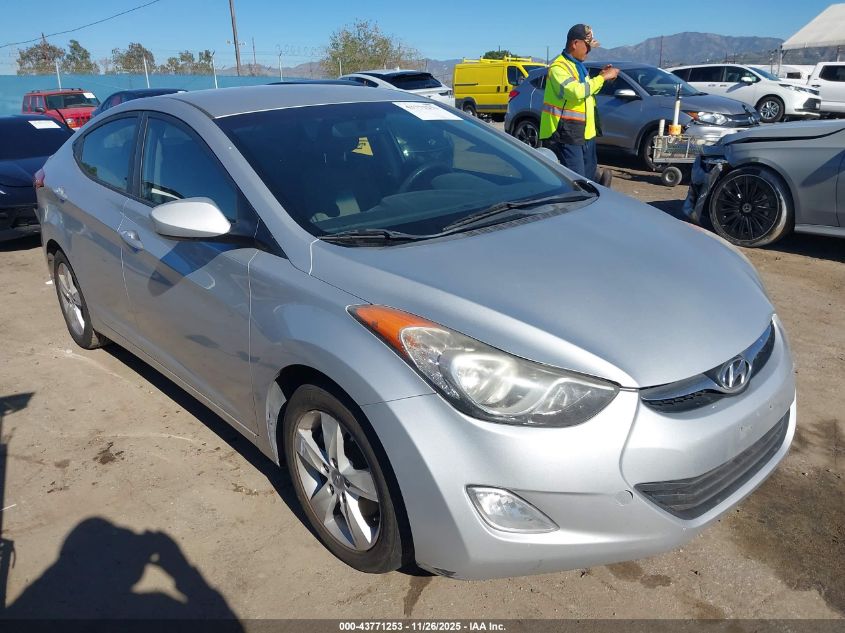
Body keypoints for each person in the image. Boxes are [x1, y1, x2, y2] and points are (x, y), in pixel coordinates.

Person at [540, 24, 618, 184]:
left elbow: (588, 92)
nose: (589, 51)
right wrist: (602, 78)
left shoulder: (578, 67)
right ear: (575, 43)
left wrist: (602, 76)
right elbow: (576, 92)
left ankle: (596, 190)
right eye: (587, 47)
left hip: (585, 134)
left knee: (587, 181)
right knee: (575, 183)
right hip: (566, 134)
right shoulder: (558, 68)